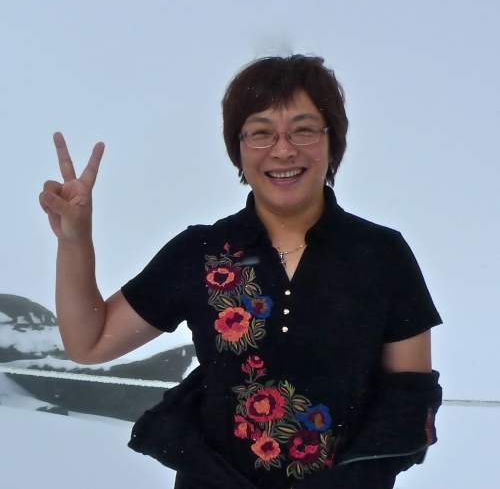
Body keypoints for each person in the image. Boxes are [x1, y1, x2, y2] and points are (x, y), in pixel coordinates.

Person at [39, 55, 442, 489]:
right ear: (238, 147)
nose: (283, 150)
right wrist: (74, 240)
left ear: (333, 142)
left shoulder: (381, 254)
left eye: (304, 130)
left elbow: (409, 402)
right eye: (261, 132)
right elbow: (89, 343)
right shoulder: (201, 251)